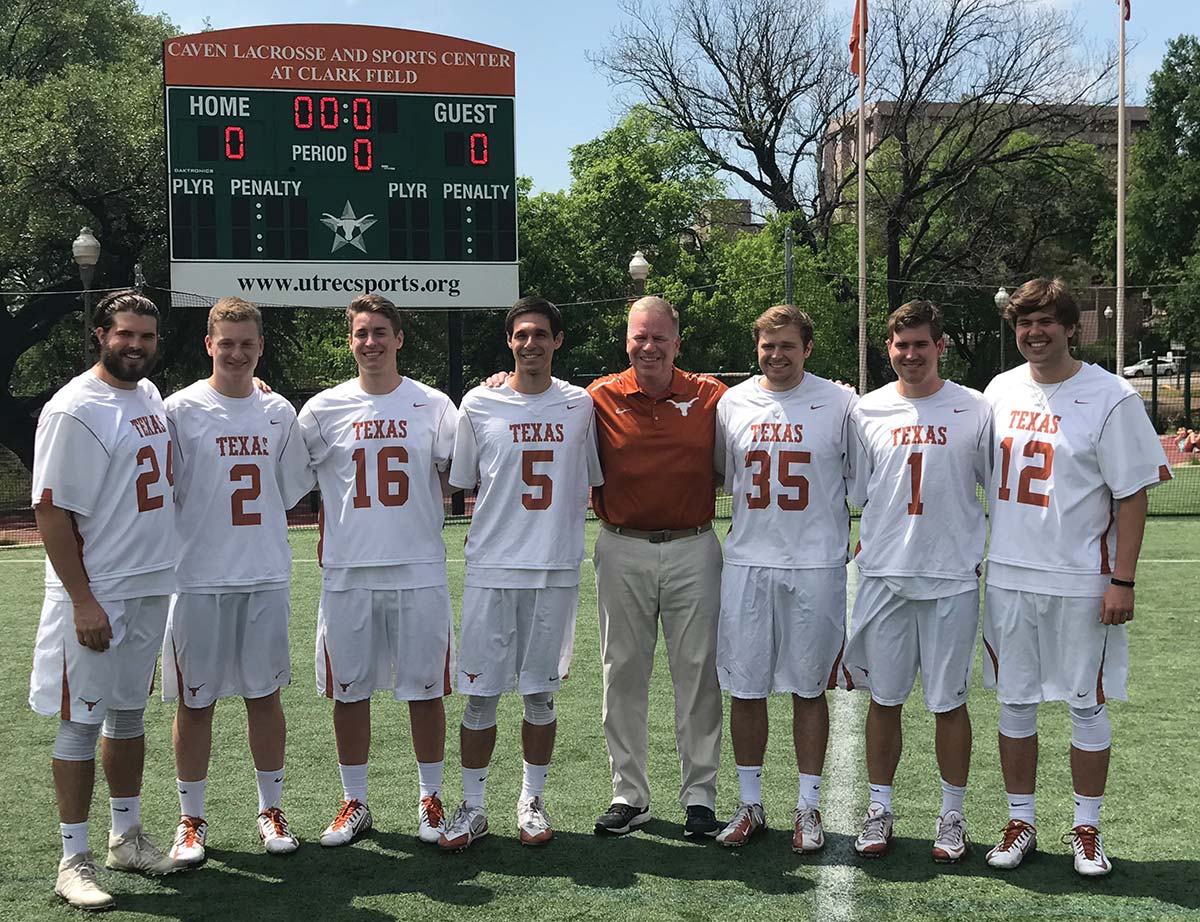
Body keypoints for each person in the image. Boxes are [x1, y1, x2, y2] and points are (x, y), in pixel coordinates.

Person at [981, 278, 1172, 877]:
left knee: (1085, 705)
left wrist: (1125, 579)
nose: (1033, 333)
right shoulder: (999, 389)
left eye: (1045, 322)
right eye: (1023, 323)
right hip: (1010, 576)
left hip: (1081, 582)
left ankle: (1086, 828)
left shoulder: (1111, 396)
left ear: (1071, 327)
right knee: (1014, 703)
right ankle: (1021, 821)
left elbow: (1133, 496)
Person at [29, 290, 183, 910]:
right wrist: (83, 599)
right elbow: (50, 510)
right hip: (99, 594)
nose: (137, 346)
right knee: (80, 722)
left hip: (149, 585)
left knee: (126, 716)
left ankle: (127, 837)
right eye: (125, 335)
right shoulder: (74, 408)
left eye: (146, 336)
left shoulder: (146, 394)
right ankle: (74, 858)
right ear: (99, 334)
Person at [440, 296, 603, 851]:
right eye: (520, 335)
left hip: (555, 566)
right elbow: (465, 478)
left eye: (540, 334)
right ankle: (473, 804)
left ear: (558, 341)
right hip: (492, 566)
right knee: (480, 696)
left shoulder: (581, 405)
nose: (530, 343)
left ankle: (531, 799)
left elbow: (595, 476)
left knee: (540, 695)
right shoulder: (479, 403)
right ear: (509, 342)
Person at [297, 293, 458, 847]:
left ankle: (430, 797)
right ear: (350, 341)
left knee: (424, 689)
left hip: (418, 567)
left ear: (399, 339)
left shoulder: (434, 405)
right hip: (348, 570)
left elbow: (460, 470)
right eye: (361, 333)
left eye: (380, 332)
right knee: (349, 690)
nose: (371, 342)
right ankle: (355, 800)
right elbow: (289, 479)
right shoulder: (320, 410)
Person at [162, 298, 314, 864]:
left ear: (261, 347)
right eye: (227, 342)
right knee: (195, 703)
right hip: (198, 578)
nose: (237, 352)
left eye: (247, 343)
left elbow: (290, 488)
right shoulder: (178, 410)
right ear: (209, 344)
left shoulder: (279, 413)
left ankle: (271, 809)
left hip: (264, 572)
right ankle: (191, 818)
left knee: (264, 696)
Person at [843, 300, 991, 863]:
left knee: (949, 703)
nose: (910, 355)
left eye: (921, 345)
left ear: (940, 346)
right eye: (900, 346)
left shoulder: (974, 409)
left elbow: (995, 486)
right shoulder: (866, 412)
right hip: (884, 574)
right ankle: (879, 807)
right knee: (884, 699)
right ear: (889, 349)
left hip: (951, 575)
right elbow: (859, 489)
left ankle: (952, 813)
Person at [711, 305, 856, 852]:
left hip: (815, 564)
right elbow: (725, 476)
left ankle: (809, 806)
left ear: (807, 349)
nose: (777, 356)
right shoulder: (733, 402)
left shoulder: (842, 403)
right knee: (746, 688)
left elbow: (859, 480)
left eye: (787, 346)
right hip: (748, 561)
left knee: (808, 686)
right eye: (768, 346)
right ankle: (750, 803)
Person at [590, 296, 727, 838]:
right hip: (622, 543)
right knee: (622, 671)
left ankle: (699, 797)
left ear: (677, 341)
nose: (648, 346)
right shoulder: (598, 396)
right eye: (638, 336)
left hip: (694, 543)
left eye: (659, 337)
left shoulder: (711, 394)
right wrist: (501, 380)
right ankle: (630, 794)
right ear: (627, 339)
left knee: (698, 673)